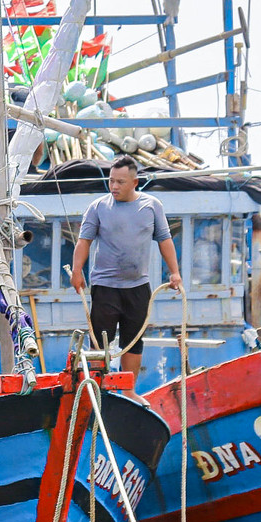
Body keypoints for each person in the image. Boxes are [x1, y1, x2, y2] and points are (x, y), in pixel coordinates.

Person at [70, 156, 183, 389]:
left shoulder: (152, 206)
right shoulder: (98, 207)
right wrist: (77, 271)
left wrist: (175, 273)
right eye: (111, 181)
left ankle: (128, 390)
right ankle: (97, 389)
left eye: (120, 182)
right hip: (105, 286)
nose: (114, 186)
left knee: (133, 341)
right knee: (99, 341)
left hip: (138, 286)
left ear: (135, 182)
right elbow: (84, 241)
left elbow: (165, 240)